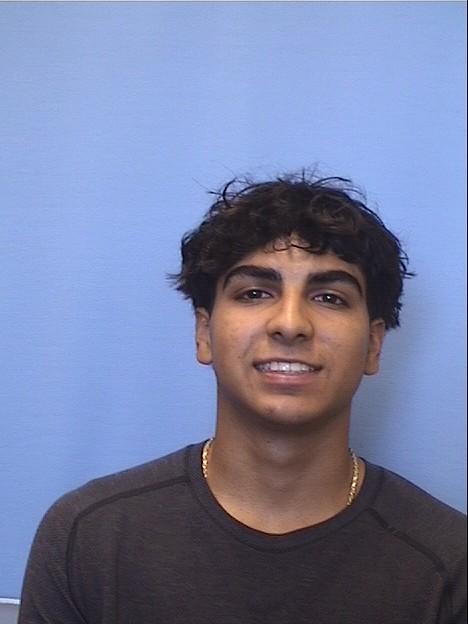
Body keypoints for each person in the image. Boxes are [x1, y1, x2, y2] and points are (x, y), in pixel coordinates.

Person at [19, 172, 466, 623]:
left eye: (329, 298)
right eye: (254, 293)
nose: (290, 324)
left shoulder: (449, 564)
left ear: (373, 345)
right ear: (203, 333)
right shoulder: (89, 537)